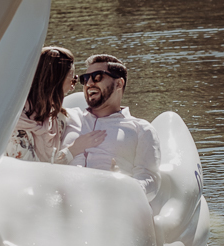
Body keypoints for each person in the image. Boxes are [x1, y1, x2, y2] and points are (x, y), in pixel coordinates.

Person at [62, 54, 161, 201]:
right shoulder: (67, 118)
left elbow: (150, 179)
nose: (89, 83)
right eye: (85, 78)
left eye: (97, 77)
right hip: (65, 201)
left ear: (119, 84)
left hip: (109, 205)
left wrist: (121, 185)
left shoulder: (140, 129)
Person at [5, 46, 106, 163]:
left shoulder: (56, 117)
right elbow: (29, 171)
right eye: (73, 80)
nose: (73, 87)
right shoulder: (16, 123)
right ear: (55, 81)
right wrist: (73, 149)